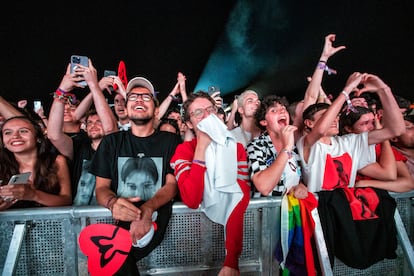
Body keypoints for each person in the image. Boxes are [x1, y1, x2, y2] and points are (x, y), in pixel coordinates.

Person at [296, 72, 405, 269]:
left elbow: (396, 130)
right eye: (325, 116)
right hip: (321, 219)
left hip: (347, 216)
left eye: (336, 116)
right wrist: (346, 90)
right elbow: (319, 131)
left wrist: (383, 89)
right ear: (309, 123)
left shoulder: (350, 142)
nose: (335, 119)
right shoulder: (307, 144)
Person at [90, 76, 181, 275]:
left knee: (114, 261)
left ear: (156, 109)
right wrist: (113, 203)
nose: (139, 100)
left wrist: (148, 209)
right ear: (126, 106)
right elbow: (101, 188)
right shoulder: (111, 142)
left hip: (157, 217)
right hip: (117, 222)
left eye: (146, 97)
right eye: (133, 97)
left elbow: (171, 184)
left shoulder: (171, 141)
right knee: (113, 261)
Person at [170, 91, 250, 276]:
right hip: (189, 241)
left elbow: (240, 197)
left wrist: (231, 261)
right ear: (189, 124)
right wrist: (201, 148)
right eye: (198, 113)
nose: (207, 116)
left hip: (227, 246)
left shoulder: (236, 148)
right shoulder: (183, 150)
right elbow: (191, 200)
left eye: (210, 110)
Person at [47, 59, 118, 205]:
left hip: (110, 214)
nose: (93, 125)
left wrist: (94, 85)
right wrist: (62, 90)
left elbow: (110, 128)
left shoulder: (118, 146)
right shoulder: (79, 146)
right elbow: (53, 135)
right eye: (90, 122)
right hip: (79, 218)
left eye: (99, 122)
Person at [0, 116, 71, 210]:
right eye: (8, 133)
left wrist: (33, 195)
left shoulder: (56, 161)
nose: (15, 136)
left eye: (23, 131)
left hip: (50, 222)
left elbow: (66, 201)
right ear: (3, 142)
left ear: (38, 137)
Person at [339, 105, 414, 192]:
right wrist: (383, 137)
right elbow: (389, 175)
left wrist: (368, 183)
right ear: (349, 128)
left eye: (373, 122)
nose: (372, 127)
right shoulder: (349, 148)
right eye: (365, 123)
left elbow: (408, 183)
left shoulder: (384, 147)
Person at [247, 94, 307, 199]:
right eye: (274, 111)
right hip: (267, 213)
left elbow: (297, 178)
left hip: (291, 212)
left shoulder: (293, 148)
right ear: (264, 122)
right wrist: (286, 149)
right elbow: (264, 187)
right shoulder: (255, 147)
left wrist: (301, 186)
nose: (282, 111)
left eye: (284, 109)